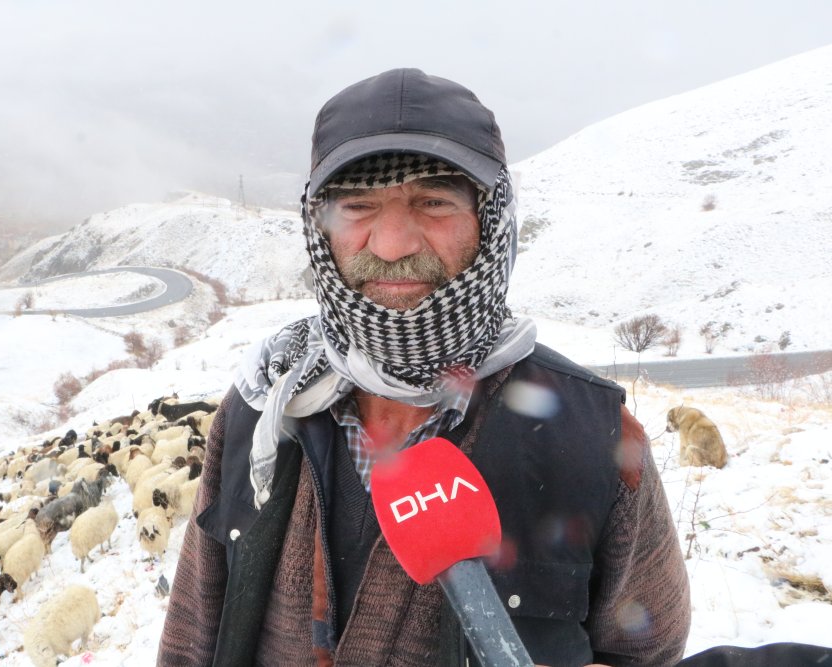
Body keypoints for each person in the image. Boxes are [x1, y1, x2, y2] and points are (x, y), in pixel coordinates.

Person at [158, 68, 690, 666]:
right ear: (320, 226)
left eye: (433, 202)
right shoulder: (264, 409)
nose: (391, 243)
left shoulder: (594, 438)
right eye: (357, 205)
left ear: (489, 220)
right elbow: (192, 634)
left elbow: (646, 649)